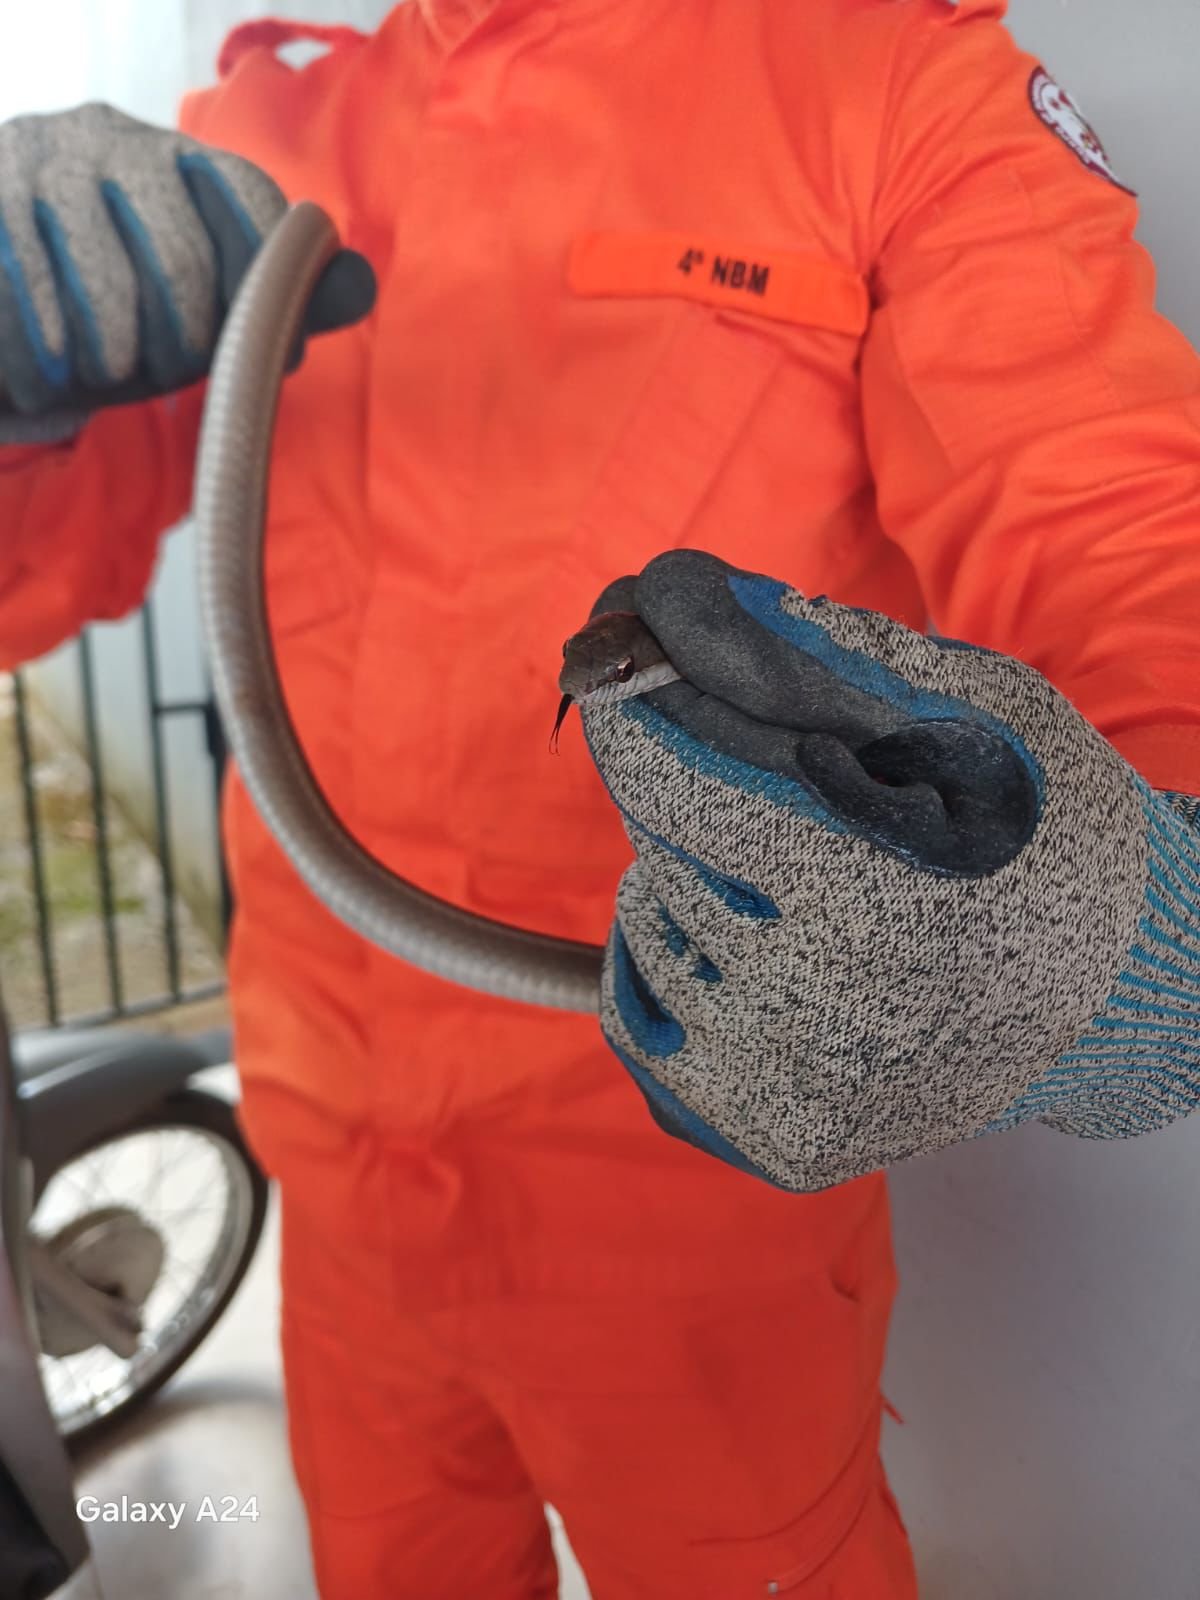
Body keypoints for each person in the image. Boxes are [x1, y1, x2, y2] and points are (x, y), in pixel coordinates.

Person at [0, 1, 1196, 1594]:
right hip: (329, 1165)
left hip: (684, 1202)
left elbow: (1116, 533)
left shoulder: (890, 89)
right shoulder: (264, 133)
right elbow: (35, 573)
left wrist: (1147, 908)